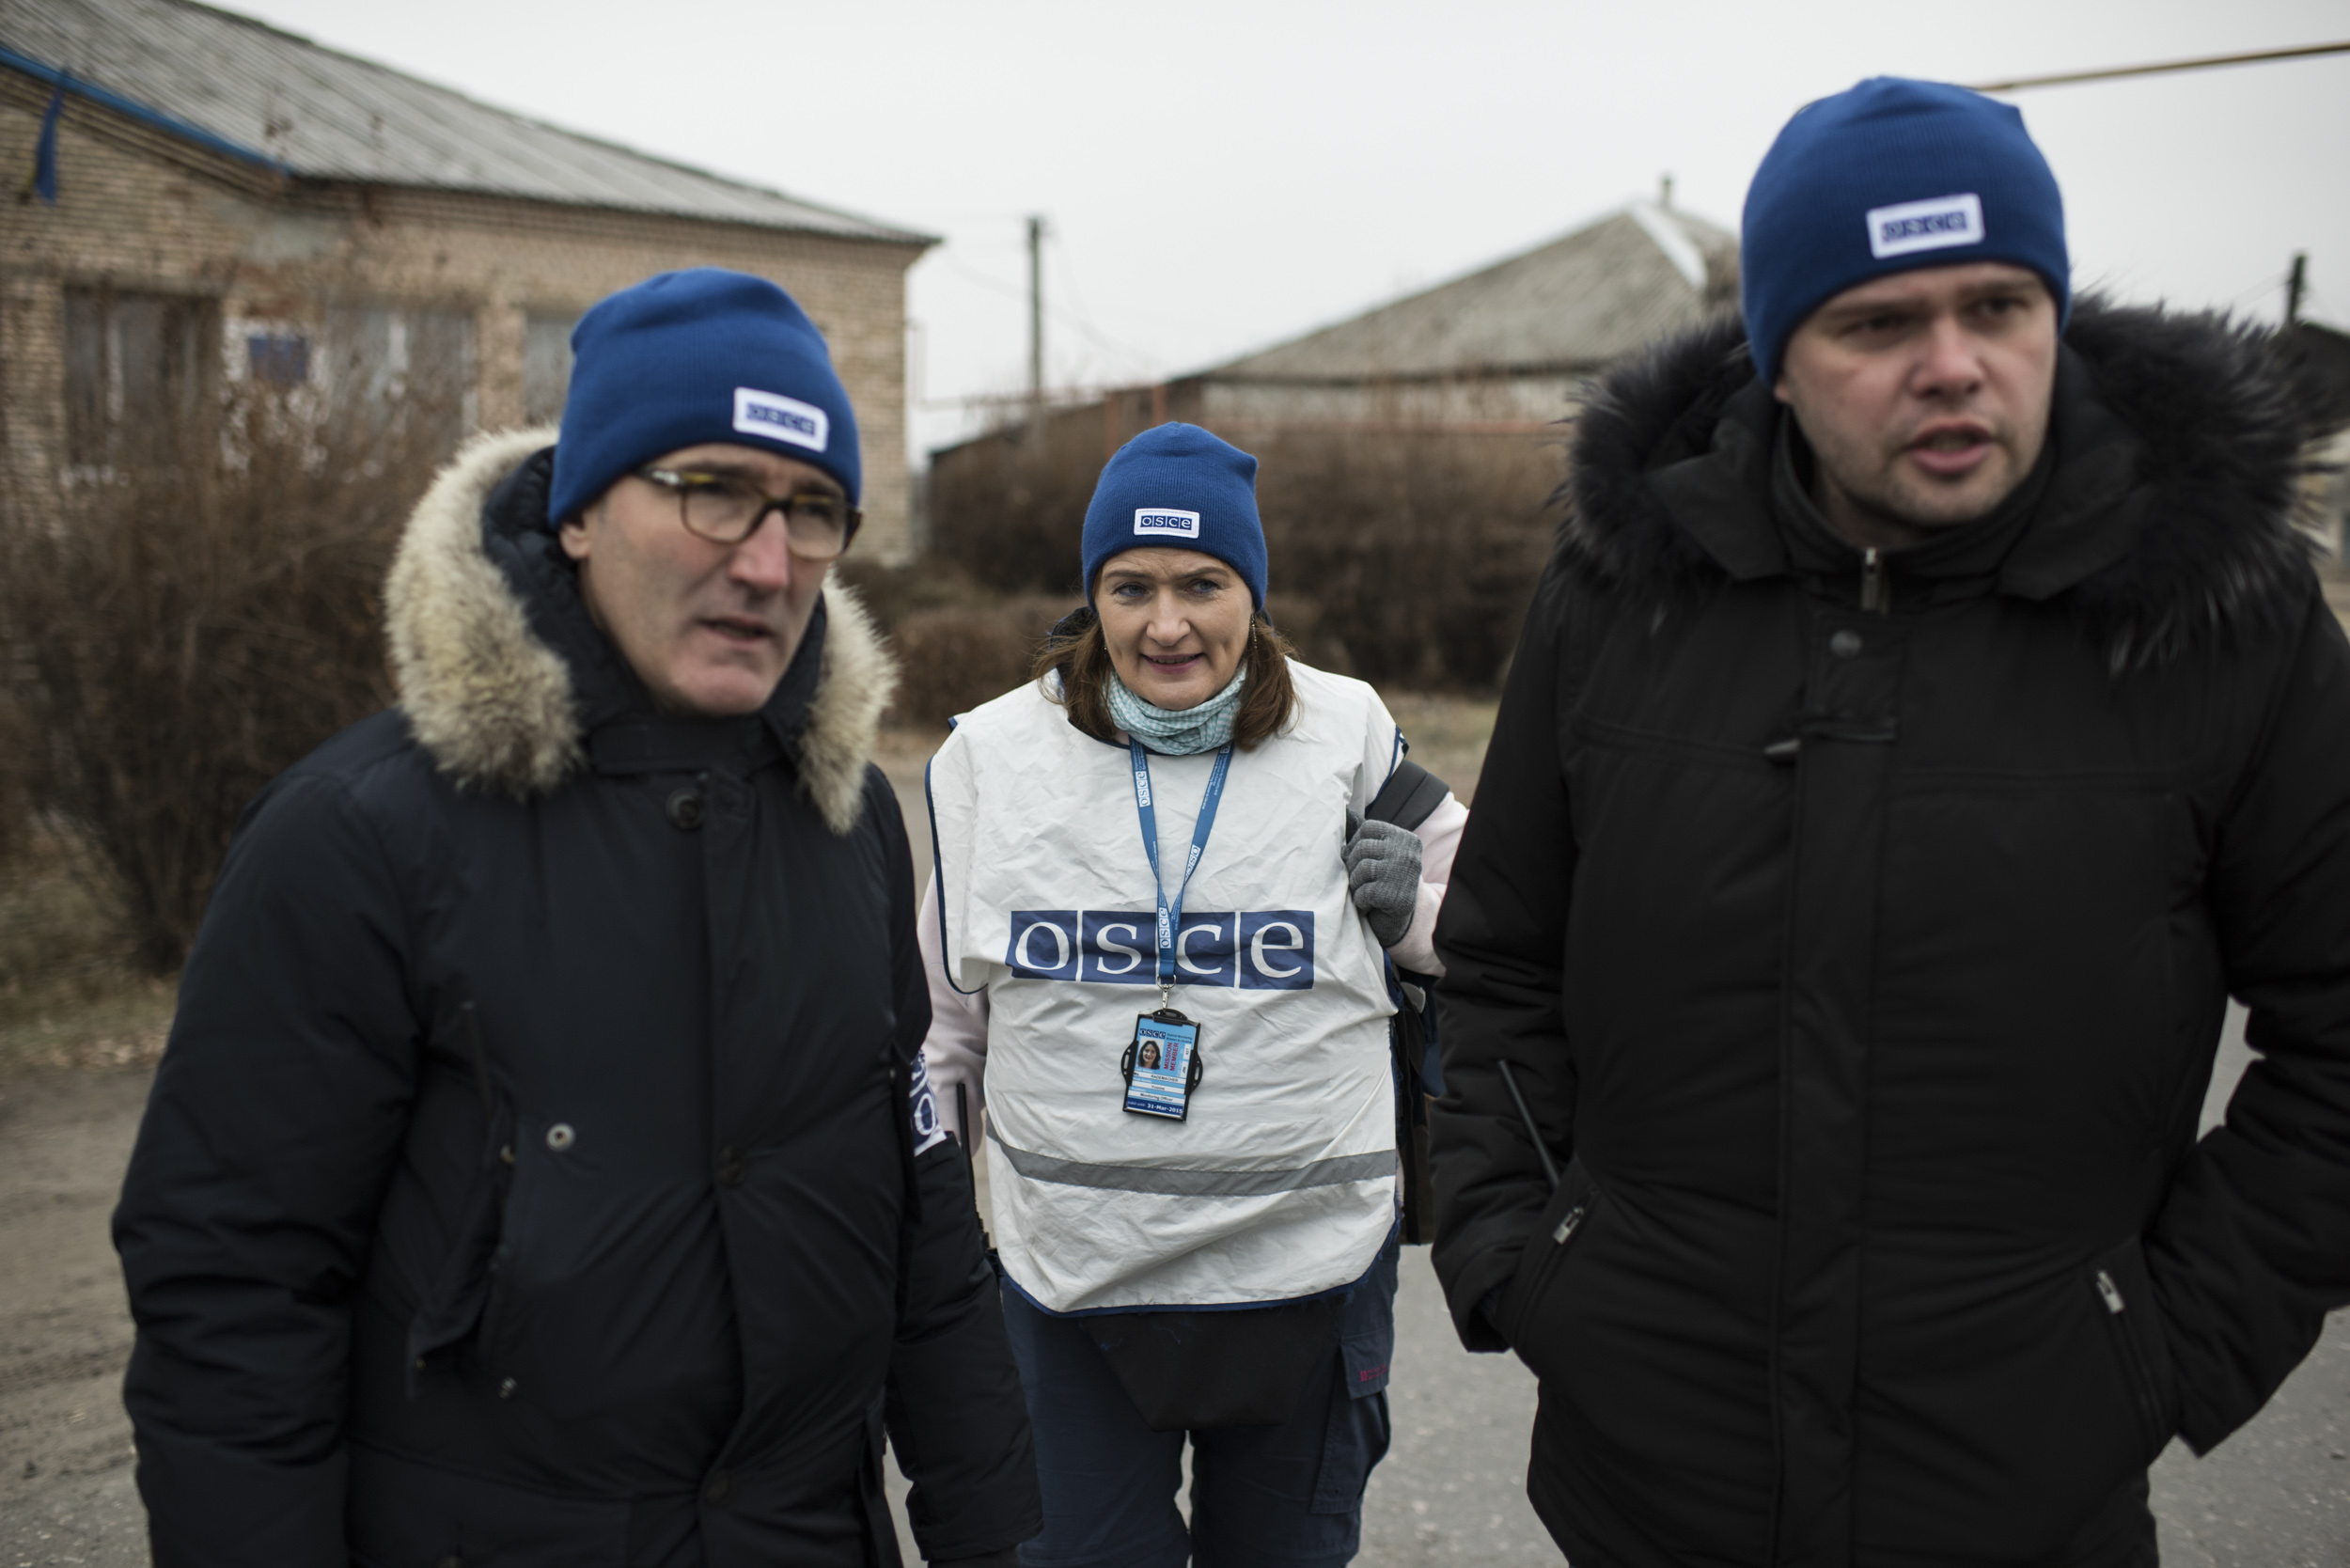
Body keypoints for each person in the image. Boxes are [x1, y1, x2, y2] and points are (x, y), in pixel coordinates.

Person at [1430, 77, 2350, 1568]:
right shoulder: (1620, 598)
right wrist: (1531, 1265)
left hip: (2024, 1502)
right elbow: (1499, 966)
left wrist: (2162, 1343)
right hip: (1650, 1494)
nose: (1953, 365)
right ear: (1778, 362)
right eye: (1877, 323)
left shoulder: (2220, 618)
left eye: (1999, 306)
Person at [112, 268, 1041, 1567]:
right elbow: (234, 1293)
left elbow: (922, 1209)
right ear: (581, 512)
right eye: (712, 490)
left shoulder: (853, 824)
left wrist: (998, 1535)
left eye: (814, 511)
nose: (769, 564)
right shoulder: (359, 834)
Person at [920, 423, 1467, 1567]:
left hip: (1307, 1271)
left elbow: (1490, 940)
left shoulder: (1349, 731)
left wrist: (1407, 916)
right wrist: (933, 1247)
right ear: (1094, 595)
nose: (1166, 623)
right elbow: (944, 1026)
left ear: (1251, 595)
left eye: (1202, 584)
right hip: (1067, 1279)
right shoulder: (989, 758)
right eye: (1131, 586)